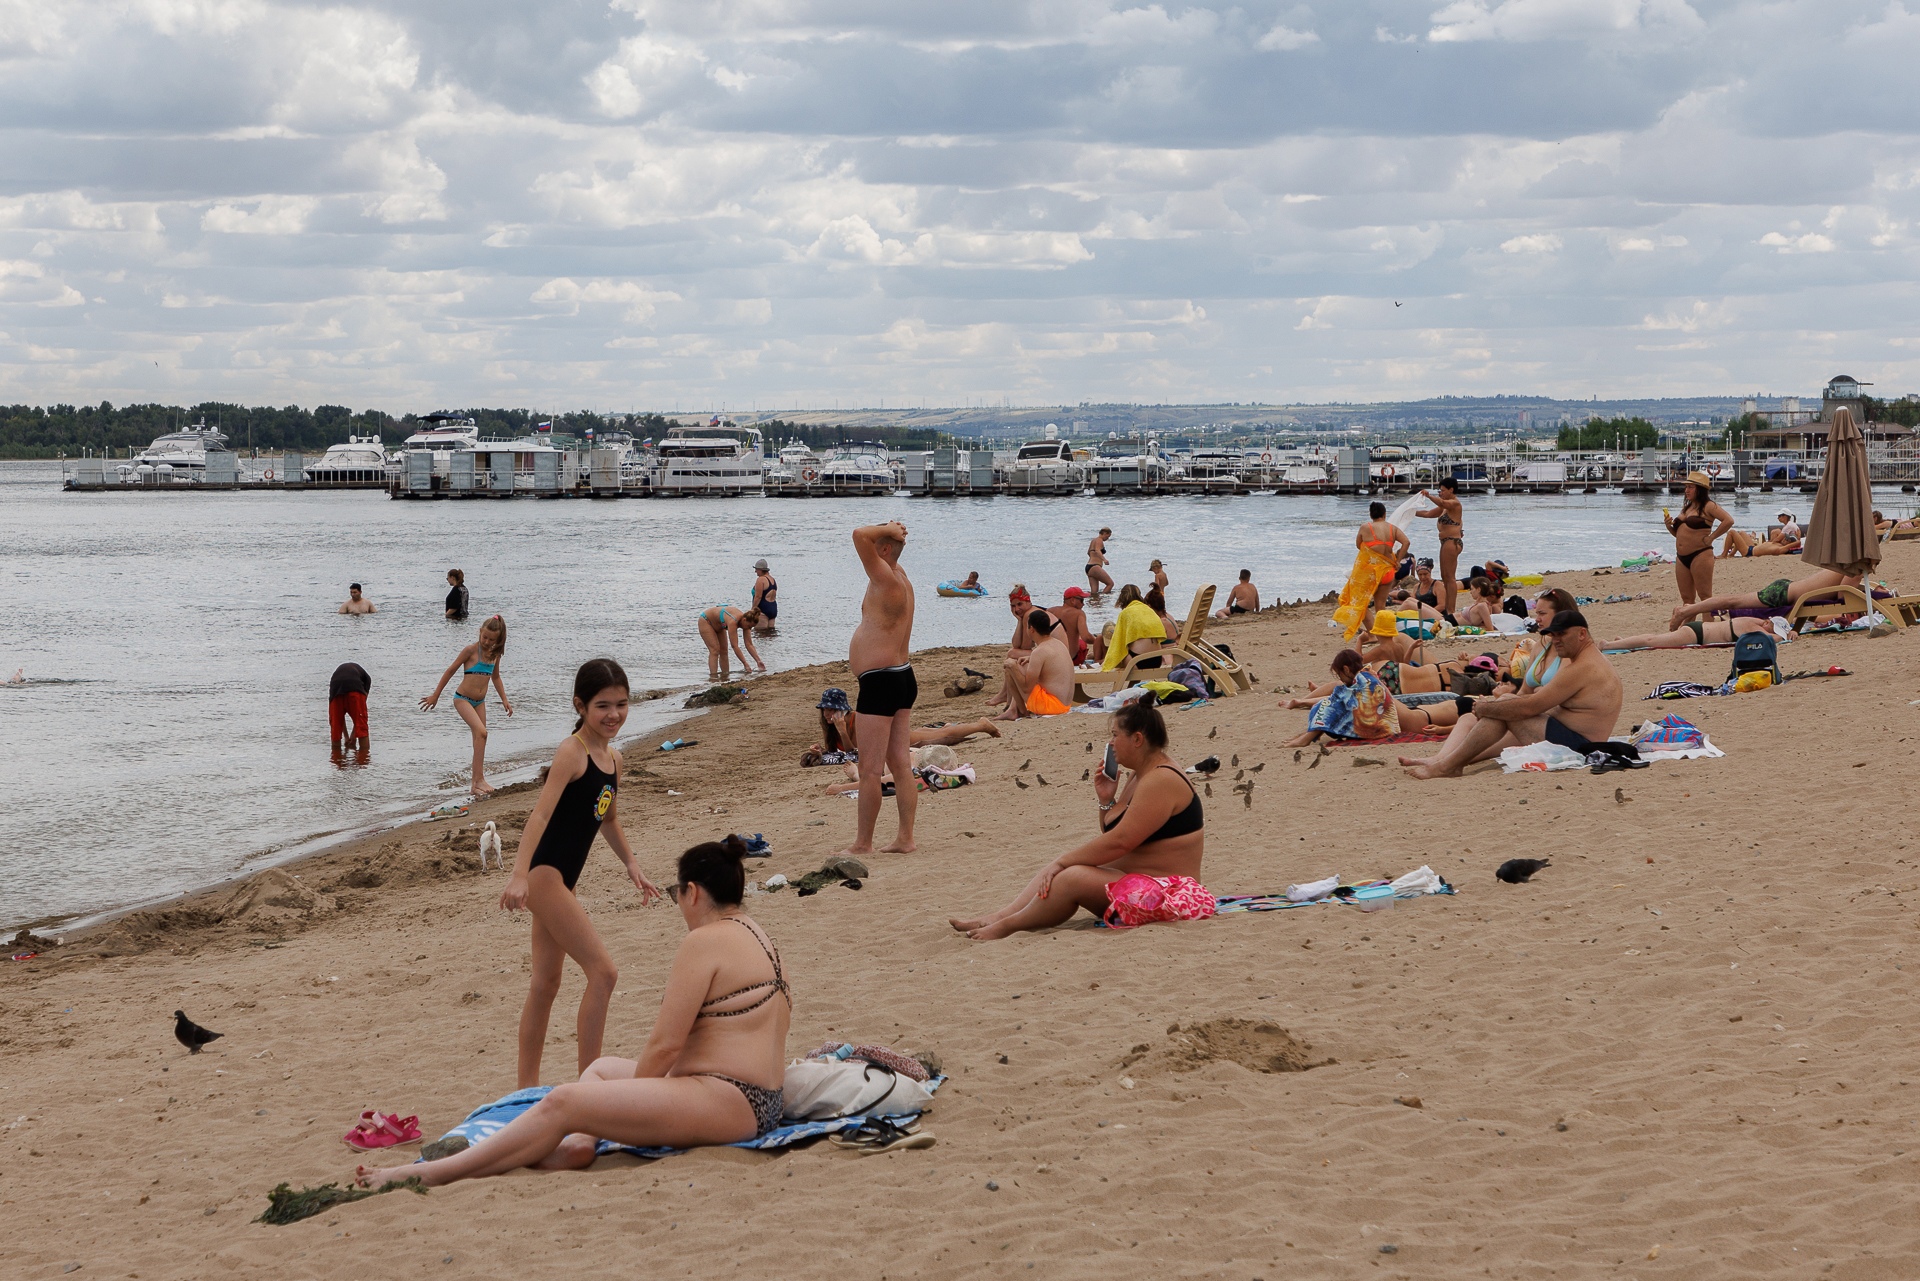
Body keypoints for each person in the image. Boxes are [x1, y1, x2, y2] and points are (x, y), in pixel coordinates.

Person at [355, 836, 788, 1191]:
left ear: (691, 892)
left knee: (564, 1100)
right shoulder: (759, 935)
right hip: (760, 1098)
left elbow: (666, 1045)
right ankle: (580, 1144)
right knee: (599, 1068)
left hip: (729, 1101)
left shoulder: (705, 941)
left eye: (678, 896)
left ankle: (431, 1173)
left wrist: (628, 1106)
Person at [500, 659, 661, 1087]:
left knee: (545, 984)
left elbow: (606, 818)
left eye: (622, 704)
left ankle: (525, 1090)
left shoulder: (613, 760)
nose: (614, 714)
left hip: (560, 880)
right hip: (545, 877)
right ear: (580, 705)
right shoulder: (571, 752)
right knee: (604, 973)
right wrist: (519, 875)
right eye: (603, 705)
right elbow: (539, 816)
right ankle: (591, 1084)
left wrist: (632, 865)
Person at [948, 701, 1203, 940]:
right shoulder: (1141, 775)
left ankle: (1008, 926)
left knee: (1070, 876)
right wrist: (1106, 799)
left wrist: (1063, 862)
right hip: (1144, 880)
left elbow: (1121, 842)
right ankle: (1000, 917)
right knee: (1064, 866)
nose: (1111, 743)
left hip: (1171, 893)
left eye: (1115, 735)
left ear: (1137, 739)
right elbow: (1112, 831)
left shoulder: (1161, 780)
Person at [1401, 610, 1624, 780]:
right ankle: (1449, 763)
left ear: (1582, 633)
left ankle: (1447, 765)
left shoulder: (1583, 667)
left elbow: (1531, 707)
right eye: (1553, 635)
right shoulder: (1588, 661)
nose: (1556, 639)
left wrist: (1485, 708)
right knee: (1506, 706)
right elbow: (1539, 701)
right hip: (1573, 734)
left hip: (1581, 745)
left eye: (1562, 634)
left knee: (1506, 708)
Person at [845, 521, 917, 856]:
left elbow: (859, 535)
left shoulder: (887, 578)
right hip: (901, 675)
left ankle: (863, 844)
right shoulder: (901, 576)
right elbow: (868, 541)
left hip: (881, 681)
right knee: (900, 763)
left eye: (879, 547)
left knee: (870, 770)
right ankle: (905, 839)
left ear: (884, 550)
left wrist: (886, 527)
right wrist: (892, 531)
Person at [1281, 650, 1460, 747]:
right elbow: (1336, 702)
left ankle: (1307, 736)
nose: (1339, 679)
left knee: (1334, 702)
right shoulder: (1364, 682)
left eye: (1339, 674)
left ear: (1345, 669)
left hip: (1426, 717)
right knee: (1334, 700)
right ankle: (1308, 733)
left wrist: (1444, 729)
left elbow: (1334, 705)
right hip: (1422, 712)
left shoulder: (1366, 680)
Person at [421, 615, 513, 796]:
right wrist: (435, 695)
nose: (487, 642)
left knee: (480, 739)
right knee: (482, 733)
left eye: (491, 639)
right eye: (484, 637)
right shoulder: (470, 651)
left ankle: (477, 782)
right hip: (462, 699)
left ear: (498, 640)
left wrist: (504, 699)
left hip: (480, 703)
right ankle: (478, 781)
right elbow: (450, 671)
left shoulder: (495, 655)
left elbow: (495, 677)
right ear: (480, 632)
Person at [812, 686, 1000, 757]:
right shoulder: (833, 726)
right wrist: (822, 751)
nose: (827, 714)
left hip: (895, 739)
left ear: (841, 709)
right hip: (893, 738)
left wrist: (843, 731)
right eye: (825, 710)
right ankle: (970, 726)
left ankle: (982, 725)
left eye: (831, 709)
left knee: (941, 737)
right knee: (934, 734)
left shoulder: (854, 719)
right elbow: (844, 750)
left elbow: (854, 751)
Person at [1668, 568, 1860, 630]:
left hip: (1788, 589)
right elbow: (1844, 595)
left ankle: (1688, 610)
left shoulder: (1850, 559)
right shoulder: (1859, 565)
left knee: (1734, 600)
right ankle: (1685, 611)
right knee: (1733, 602)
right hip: (1784, 594)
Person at [1665, 472, 1735, 604]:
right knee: (1687, 599)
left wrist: (1712, 537)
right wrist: (1669, 526)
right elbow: (1679, 535)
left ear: (1700, 489)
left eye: (1690, 487)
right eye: (1686, 487)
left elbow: (1728, 520)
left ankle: (1707, 625)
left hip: (1700, 554)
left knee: (1705, 597)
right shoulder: (1687, 507)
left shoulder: (1709, 506)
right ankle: (1689, 625)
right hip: (1681, 557)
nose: (1686, 490)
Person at [998, 610, 1074, 719]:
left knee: (1011, 668)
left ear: (1031, 629)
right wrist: (1029, 659)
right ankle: (1015, 710)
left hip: (1051, 707)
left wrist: (1012, 666)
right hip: (1065, 705)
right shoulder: (1058, 644)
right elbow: (1051, 661)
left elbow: (1026, 688)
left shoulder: (1039, 651)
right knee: (1021, 666)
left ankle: (1020, 712)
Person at [987, 585, 1043, 709]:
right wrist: (1018, 621)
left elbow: (1025, 646)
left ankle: (1005, 695)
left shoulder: (1030, 615)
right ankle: (1007, 698)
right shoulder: (1027, 614)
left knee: (1012, 655)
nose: (1017, 609)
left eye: (1019, 604)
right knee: (1013, 654)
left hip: (1054, 654)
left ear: (1028, 601)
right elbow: (1017, 644)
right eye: (1013, 606)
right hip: (1052, 652)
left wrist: (1021, 621)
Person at [1416, 477, 1464, 618]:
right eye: (1439, 491)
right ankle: (1449, 608)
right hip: (1446, 542)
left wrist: (1429, 495)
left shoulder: (1454, 504)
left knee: (1450, 578)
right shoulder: (1444, 507)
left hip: (1451, 541)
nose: (1440, 493)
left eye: (1442, 490)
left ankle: (1450, 609)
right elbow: (1428, 513)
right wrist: (1411, 512)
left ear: (1451, 490)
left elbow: (1442, 502)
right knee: (1445, 576)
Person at [1603, 616, 1778, 651]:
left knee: (1655, 638)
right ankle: (1609, 645)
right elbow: (1769, 639)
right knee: (1652, 640)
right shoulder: (1754, 627)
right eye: (1773, 628)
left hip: (1699, 630)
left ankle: (1623, 641)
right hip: (1696, 634)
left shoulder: (1754, 621)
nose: (1770, 631)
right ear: (1768, 623)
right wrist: (1788, 635)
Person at [697, 604, 766, 682]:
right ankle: (713, 678)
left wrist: (758, 661)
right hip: (706, 621)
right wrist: (745, 663)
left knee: (724, 650)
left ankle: (725, 677)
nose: (749, 629)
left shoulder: (747, 623)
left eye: (752, 627)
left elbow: (749, 644)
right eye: (749, 626)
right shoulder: (733, 621)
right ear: (744, 620)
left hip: (719, 625)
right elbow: (735, 646)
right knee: (715, 650)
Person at [328, 661, 371, 750]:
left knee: (335, 729)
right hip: (354, 690)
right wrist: (353, 736)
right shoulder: (366, 680)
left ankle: (337, 760)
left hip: (335, 688)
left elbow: (340, 718)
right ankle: (364, 759)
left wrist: (348, 736)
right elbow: (359, 716)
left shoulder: (339, 674)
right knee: (362, 728)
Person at [1051, 587, 1094, 665]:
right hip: (1072, 659)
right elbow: (1086, 637)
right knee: (1082, 642)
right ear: (1073, 600)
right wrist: (1096, 641)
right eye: (1081, 600)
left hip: (1053, 659)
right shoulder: (1078, 613)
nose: (1083, 604)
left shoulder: (1050, 611)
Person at [751, 559, 778, 632]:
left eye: (756, 569)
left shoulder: (761, 579)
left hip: (763, 609)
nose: (755, 571)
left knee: (760, 634)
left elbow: (758, 596)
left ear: (761, 569)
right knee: (770, 635)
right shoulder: (772, 579)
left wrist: (753, 609)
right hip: (773, 608)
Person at [1086, 528, 1115, 595]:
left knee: (1094, 592)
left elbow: (1088, 553)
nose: (1107, 538)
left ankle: (1095, 603)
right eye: (1108, 536)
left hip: (1089, 567)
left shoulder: (1093, 540)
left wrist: (1093, 558)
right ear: (1104, 533)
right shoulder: (1099, 540)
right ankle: (1103, 599)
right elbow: (1097, 550)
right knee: (1110, 584)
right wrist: (1104, 560)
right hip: (1095, 566)